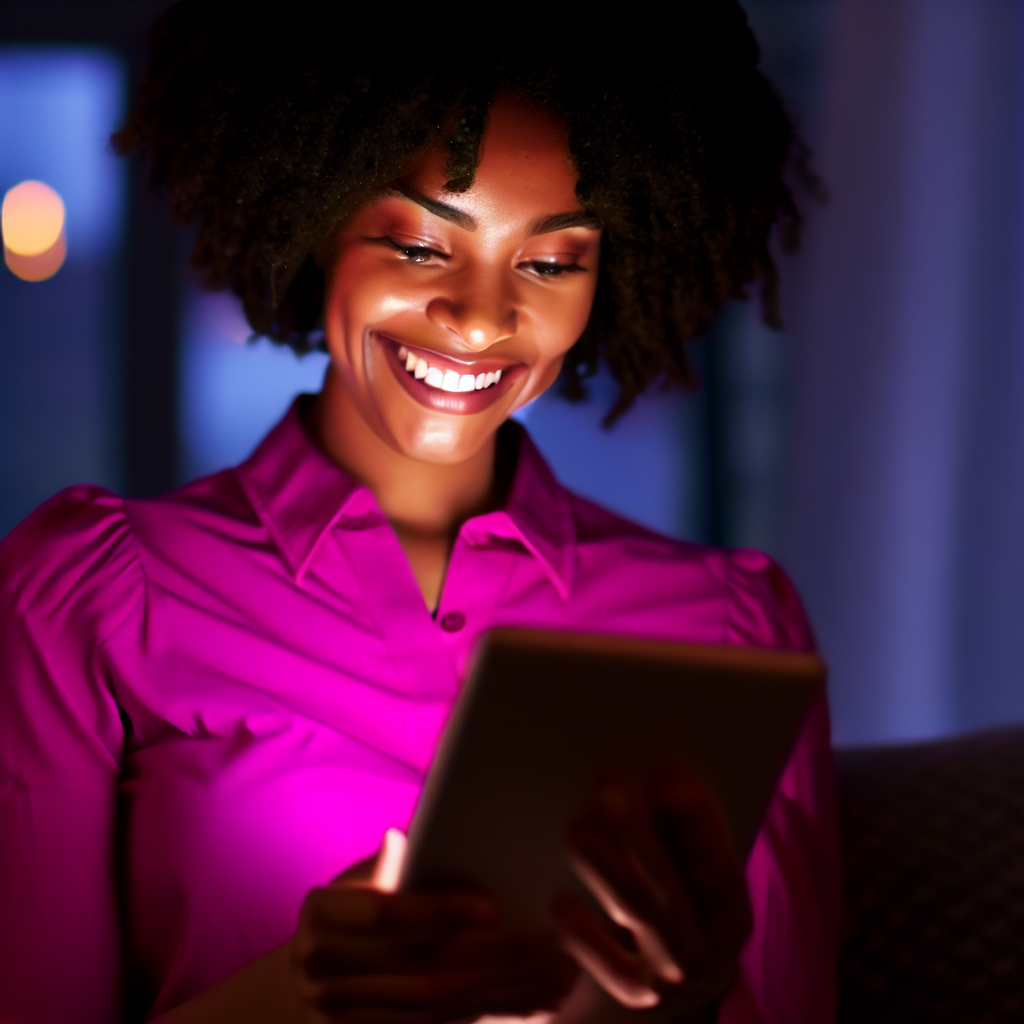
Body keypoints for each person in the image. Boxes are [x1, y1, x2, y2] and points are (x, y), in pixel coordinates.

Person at [0, 4, 840, 1023]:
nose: (483, 316)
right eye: (418, 245)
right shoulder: (95, 595)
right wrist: (298, 994)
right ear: (316, 220)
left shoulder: (726, 628)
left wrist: (699, 994)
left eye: (550, 261)